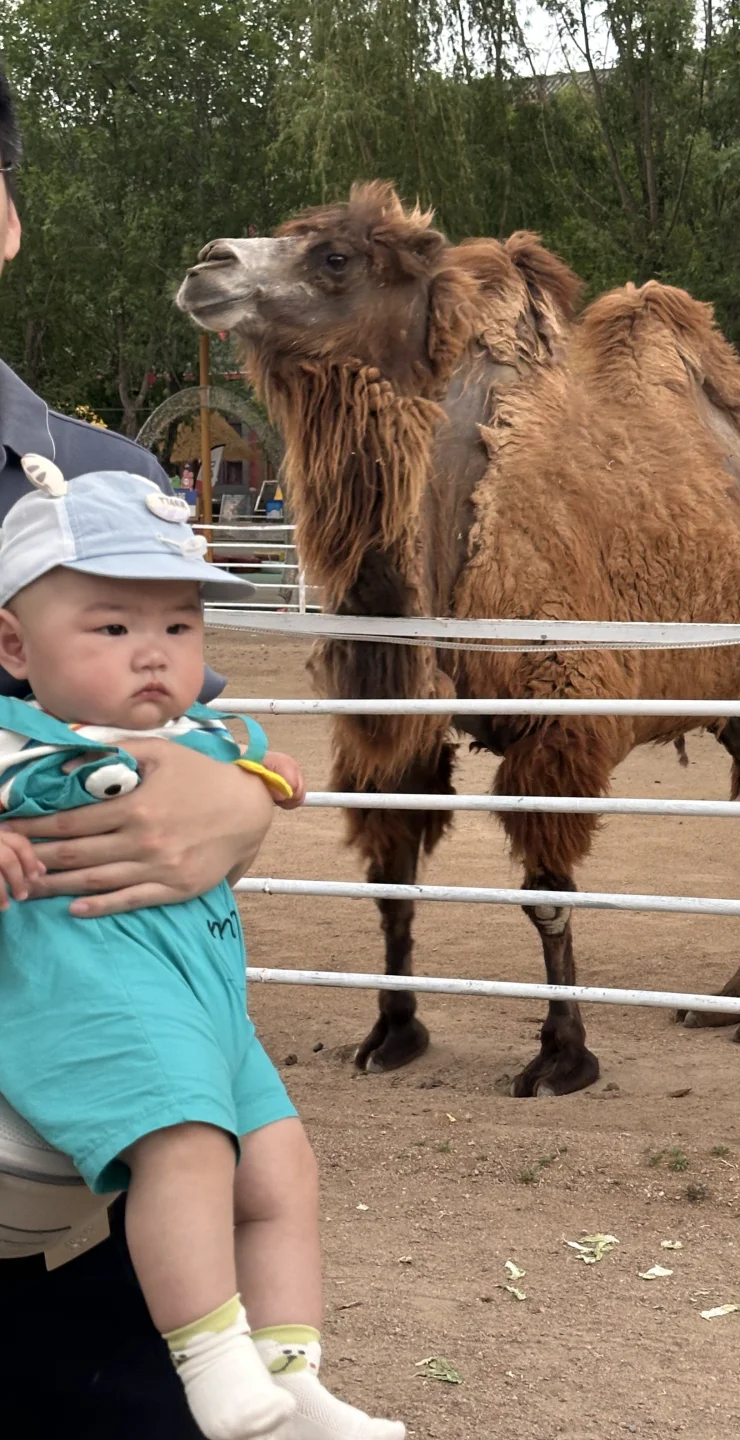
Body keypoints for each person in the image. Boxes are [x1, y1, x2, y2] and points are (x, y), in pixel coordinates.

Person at [0, 63, 338, 1439]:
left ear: (3, 215)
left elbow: (188, 727)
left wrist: (243, 796)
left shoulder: (103, 492)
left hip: (68, 1264)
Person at [0, 467, 404, 1440]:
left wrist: (262, 788)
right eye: (112, 629)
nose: (154, 654)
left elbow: (265, 768)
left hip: (211, 1013)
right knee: (185, 1156)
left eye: (179, 628)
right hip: (95, 1005)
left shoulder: (202, 730)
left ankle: (291, 1367)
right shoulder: (17, 744)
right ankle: (209, 1358)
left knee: (280, 1173)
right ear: (14, 646)